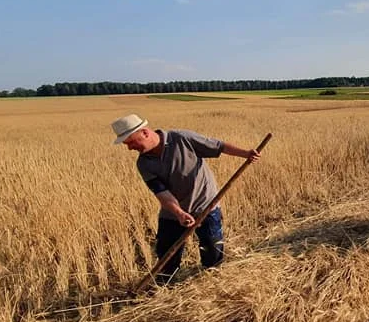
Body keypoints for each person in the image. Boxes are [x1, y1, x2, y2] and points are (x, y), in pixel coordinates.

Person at [111, 114, 260, 284]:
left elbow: (218, 146)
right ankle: (165, 289)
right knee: (166, 257)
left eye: (131, 142)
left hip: (206, 205)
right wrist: (179, 213)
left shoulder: (182, 139)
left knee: (212, 250)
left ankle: (212, 284)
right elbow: (162, 193)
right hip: (172, 213)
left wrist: (246, 154)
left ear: (144, 133)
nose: (130, 148)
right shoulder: (144, 164)